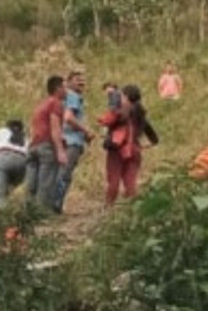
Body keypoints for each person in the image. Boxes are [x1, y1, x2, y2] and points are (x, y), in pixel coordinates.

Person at [98, 85, 159, 205]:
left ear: (126, 97)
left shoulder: (119, 113)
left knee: (113, 181)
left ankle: (109, 206)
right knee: (130, 183)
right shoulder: (141, 115)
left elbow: (105, 122)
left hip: (117, 150)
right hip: (134, 150)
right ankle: (132, 209)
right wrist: (142, 146)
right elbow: (154, 138)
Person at [25, 76, 68, 212]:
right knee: (46, 184)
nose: (67, 91)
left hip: (33, 146)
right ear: (58, 89)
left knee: (31, 185)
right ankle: (42, 215)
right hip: (46, 146)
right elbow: (55, 126)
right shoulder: (55, 103)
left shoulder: (41, 104)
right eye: (65, 87)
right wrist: (60, 151)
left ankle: (28, 213)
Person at [54, 71, 94, 214]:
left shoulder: (62, 98)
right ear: (68, 82)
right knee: (64, 174)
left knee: (59, 173)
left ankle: (52, 204)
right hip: (71, 142)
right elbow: (69, 118)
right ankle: (55, 206)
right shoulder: (73, 96)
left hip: (61, 139)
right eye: (77, 80)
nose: (81, 82)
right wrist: (86, 131)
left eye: (83, 80)